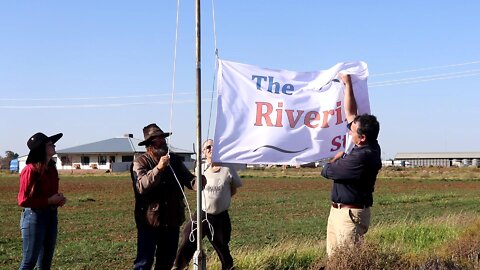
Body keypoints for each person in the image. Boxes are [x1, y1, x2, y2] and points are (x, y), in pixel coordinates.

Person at [321, 74, 382, 256]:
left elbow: (327, 171)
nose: (349, 131)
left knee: (346, 260)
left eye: (353, 131)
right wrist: (347, 84)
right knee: (335, 260)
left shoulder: (361, 158)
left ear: (362, 137)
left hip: (349, 215)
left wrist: (334, 159)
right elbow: (351, 115)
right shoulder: (369, 144)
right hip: (340, 212)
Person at [130, 123, 197, 270]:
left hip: (172, 221)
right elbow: (141, 186)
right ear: (149, 144)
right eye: (157, 139)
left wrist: (202, 182)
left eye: (163, 138)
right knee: (144, 263)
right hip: (150, 222)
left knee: (166, 262)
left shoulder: (174, 160)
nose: (162, 141)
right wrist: (159, 168)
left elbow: (189, 180)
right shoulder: (140, 162)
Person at [173, 139, 242, 270]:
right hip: (202, 213)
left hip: (220, 216)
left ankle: (228, 267)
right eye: (208, 147)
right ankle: (178, 266)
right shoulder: (201, 167)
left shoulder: (228, 168)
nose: (211, 149)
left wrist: (221, 200)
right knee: (188, 237)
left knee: (222, 246)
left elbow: (233, 189)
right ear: (204, 152)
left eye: (213, 146)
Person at [18, 132, 67, 269]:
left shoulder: (51, 168)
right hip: (34, 218)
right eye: (50, 144)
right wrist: (49, 201)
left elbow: (49, 194)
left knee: (45, 264)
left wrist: (58, 199)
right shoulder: (30, 170)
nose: (54, 145)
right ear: (41, 149)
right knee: (29, 262)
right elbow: (23, 201)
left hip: (51, 216)